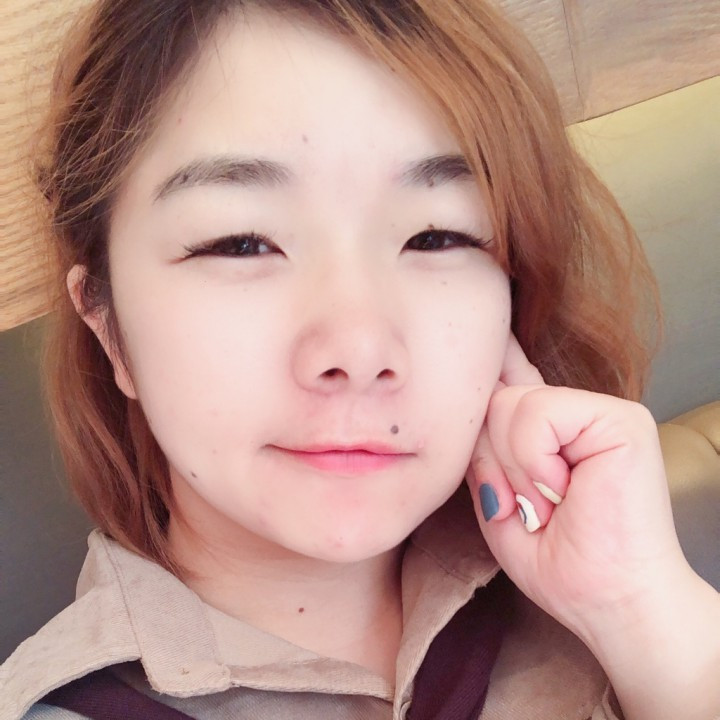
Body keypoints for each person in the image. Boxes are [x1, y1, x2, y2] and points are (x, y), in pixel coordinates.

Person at [1, 1, 719, 718]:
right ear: (109, 325)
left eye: (437, 236)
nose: (359, 349)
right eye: (240, 243)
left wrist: (641, 614)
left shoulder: (602, 592)